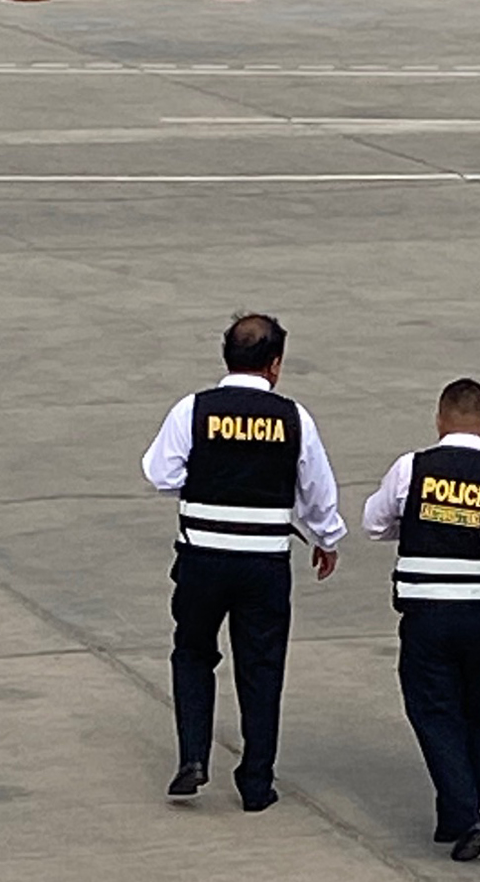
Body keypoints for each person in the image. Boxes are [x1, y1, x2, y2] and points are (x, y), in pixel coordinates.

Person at [141, 313, 346, 812]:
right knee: (261, 667)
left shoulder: (194, 409)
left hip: (202, 557)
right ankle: (256, 782)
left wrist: (207, 481)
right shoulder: (294, 417)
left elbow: (159, 473)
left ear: (226, 357)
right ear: (274, 365)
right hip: (264, 563)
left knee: (192, 653)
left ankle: (193, 758)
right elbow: (317, 489)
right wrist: (326, 537)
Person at [362, 379, 480, 863]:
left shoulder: (412, 467)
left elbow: (374, 523)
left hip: (426, 612)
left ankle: (465, 815)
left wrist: (415, 525)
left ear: (439, 421)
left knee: (432, 711)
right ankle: (458, 814)